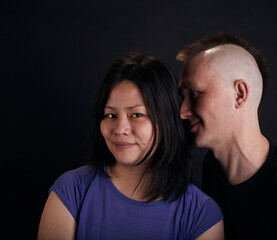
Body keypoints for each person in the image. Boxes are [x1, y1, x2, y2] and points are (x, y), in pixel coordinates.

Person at [37, 53, 224, 240]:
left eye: (136, 115)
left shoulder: (201, 215)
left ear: (166, 120)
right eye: (111, 115)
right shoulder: (71, 191)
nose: (120, 129)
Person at [177, 33, 277, 240]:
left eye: (195, 93)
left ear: (239, 94)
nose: (182, 112)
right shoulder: (213, 167)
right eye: (182, 97)